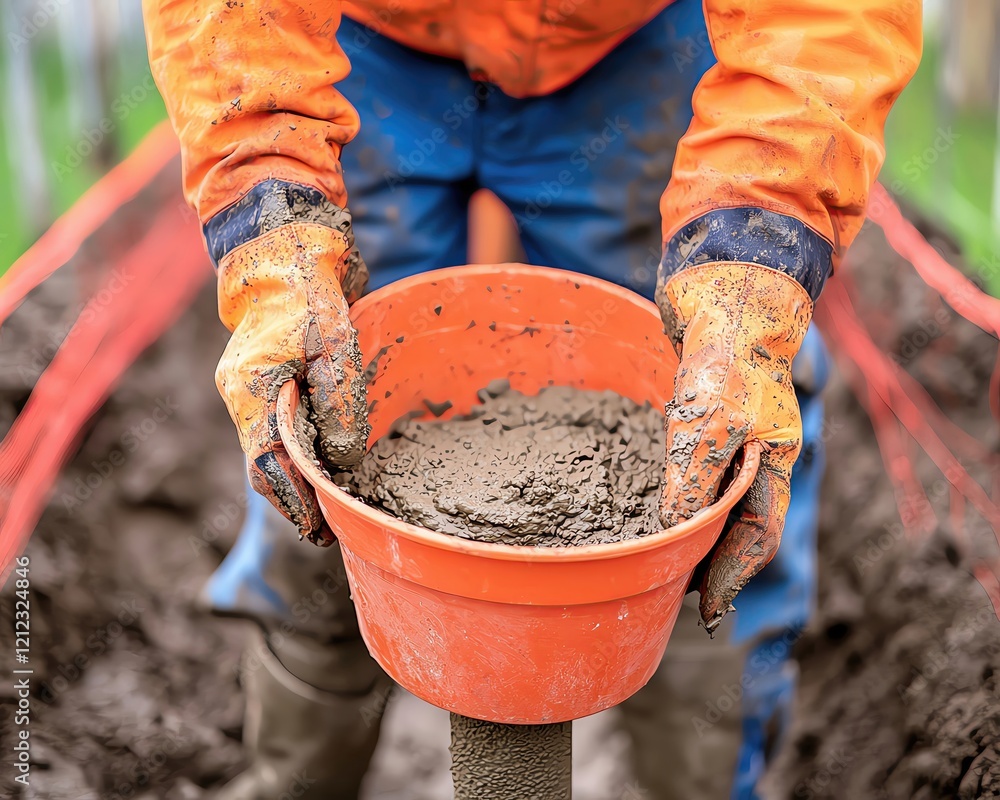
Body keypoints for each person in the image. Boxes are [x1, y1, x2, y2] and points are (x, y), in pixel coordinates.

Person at [142, 1, 921, 797]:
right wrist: (268, 206)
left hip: (625, 52)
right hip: (357, 46)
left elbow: (826, 19)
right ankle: (298, 776)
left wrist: (755, 252)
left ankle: (696, 777)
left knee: (714, 453)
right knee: (317, 419)